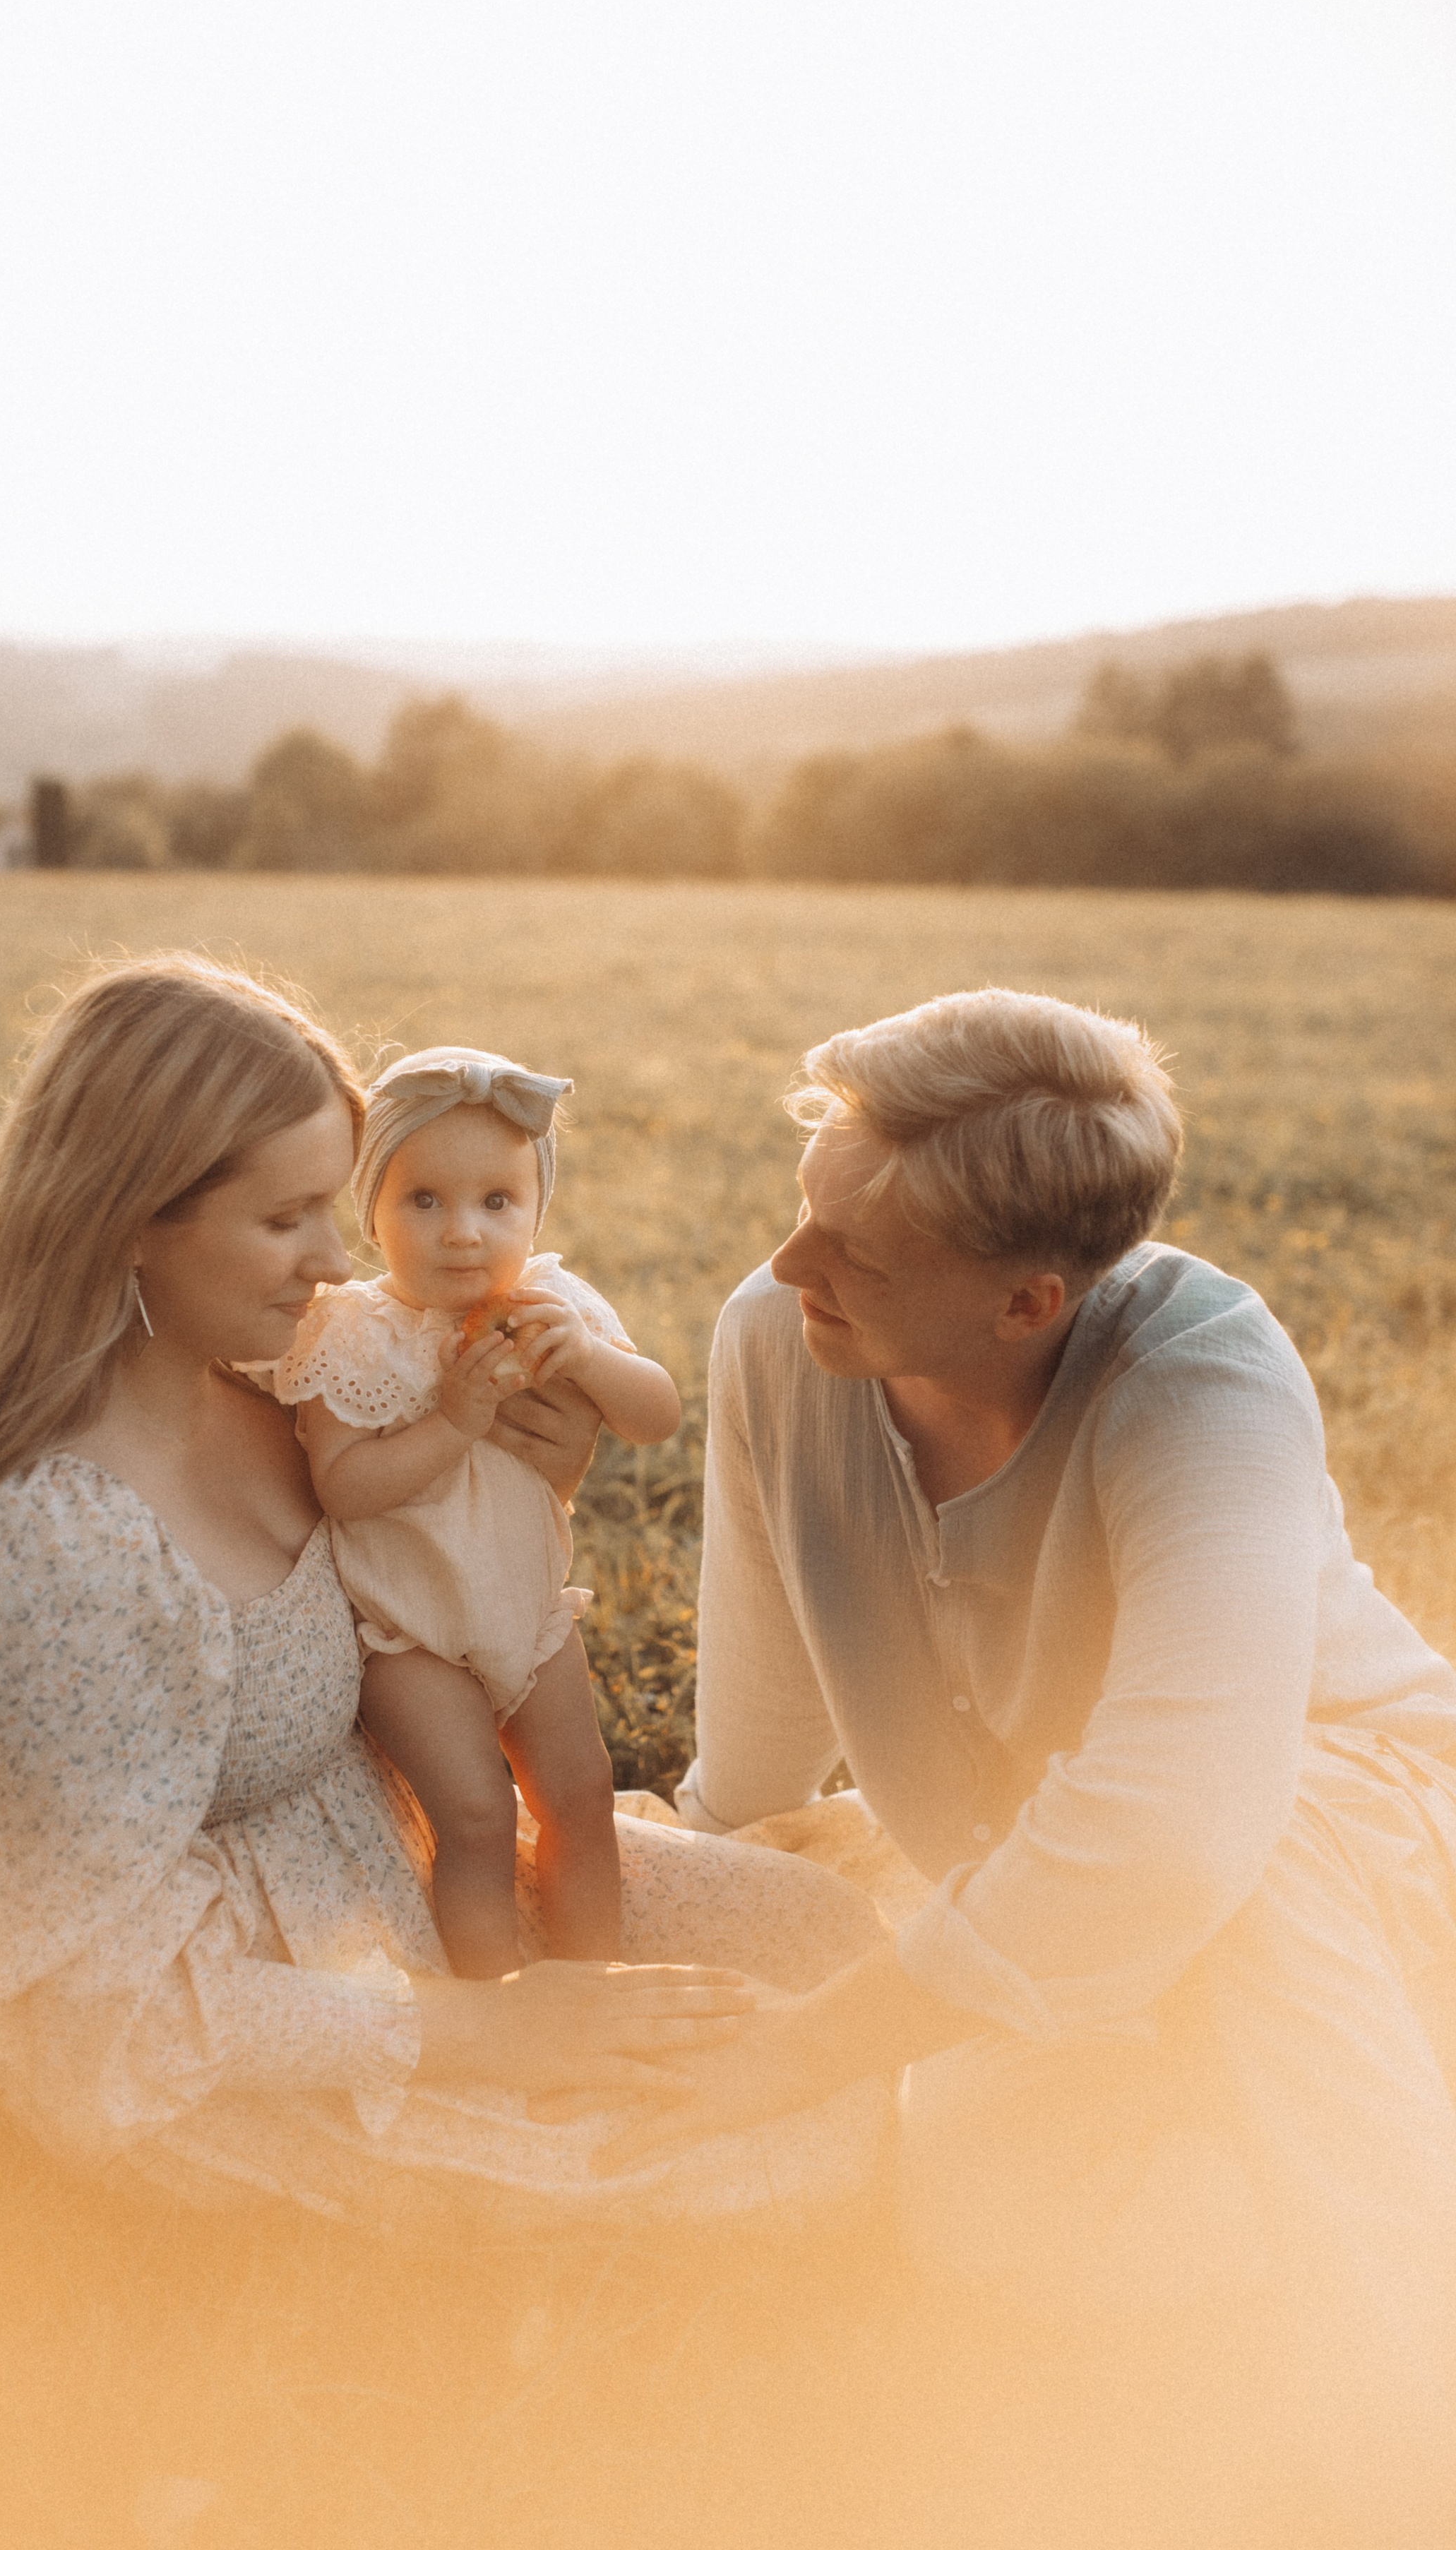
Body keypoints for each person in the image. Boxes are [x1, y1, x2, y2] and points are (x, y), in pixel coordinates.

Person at [0, 954, 885, 2226]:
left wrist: (537, 1467)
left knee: (842, 1956)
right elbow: (95, 1994)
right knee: (802, 2142)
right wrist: (484, 2033)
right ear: (128, 1218)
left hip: (402, 1873)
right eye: (286, 1221)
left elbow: (433, 1551)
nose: (337, 1262)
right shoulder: (54, 1548)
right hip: (260, 2037)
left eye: (339, 1205)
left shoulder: (270, 1389)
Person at [605, 985, 1456, 2497]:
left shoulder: (1201, 1381)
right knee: (1006, 2241)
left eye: (851, 1251)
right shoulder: (776, 1333)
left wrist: (805, 2053)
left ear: (1027, 1301)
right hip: (1053, 1862)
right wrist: (722, 1838)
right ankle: (1217, 2114)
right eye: (803, 1213)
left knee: (1249, 1877)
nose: (790, 1262)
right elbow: (769, 1653)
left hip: (1355, 1829)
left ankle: (1402, 2397)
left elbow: (1177, 1823)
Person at [256, 1046, 681, 1978]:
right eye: (425, 1202)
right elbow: (345, 1487)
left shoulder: (551, 1305)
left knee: (582, 1794)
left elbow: (656, 1416)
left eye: (498, 1203)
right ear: (370, 1211)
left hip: (529, 1619)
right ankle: (500, 2001)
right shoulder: (353, 1331)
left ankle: (590, 1978)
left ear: (536, 1210)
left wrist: (592, 1360)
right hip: (410, 1636)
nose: (463, 1234)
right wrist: (456, 1420)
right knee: (480, 1813)